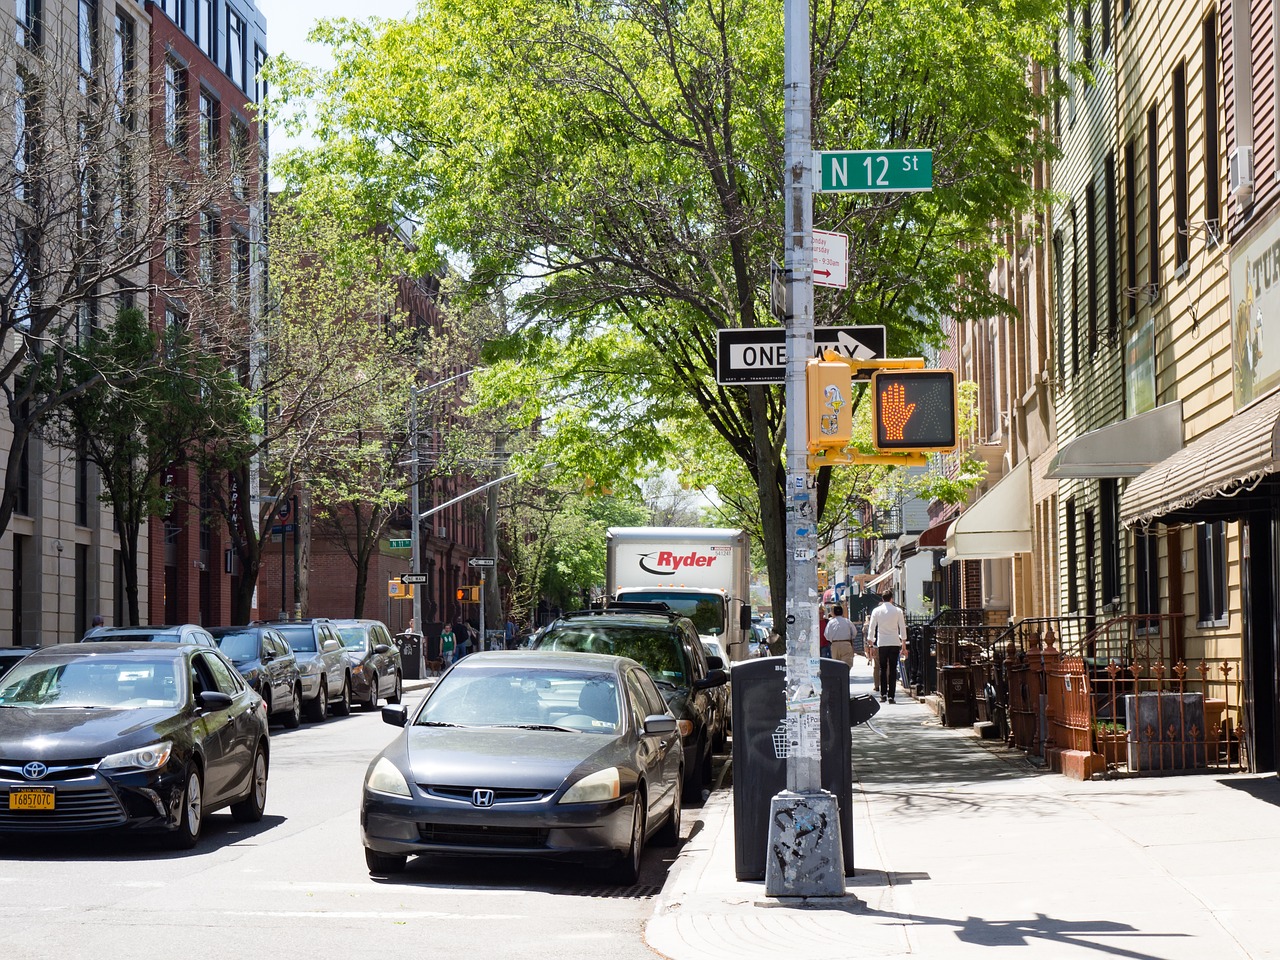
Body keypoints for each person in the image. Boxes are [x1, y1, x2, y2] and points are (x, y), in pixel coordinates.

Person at [868, 589, 908, 703]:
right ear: (892, 599)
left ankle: (883, 694)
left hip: (882, 643)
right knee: (893, 669)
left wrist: (871, 644)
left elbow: (872, 628)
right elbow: (902, 627)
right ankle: (891, 696)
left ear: (882, 598)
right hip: (894, 642)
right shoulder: (898, 611)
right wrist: (903, 644)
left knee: (883, 668)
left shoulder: (876, 611)